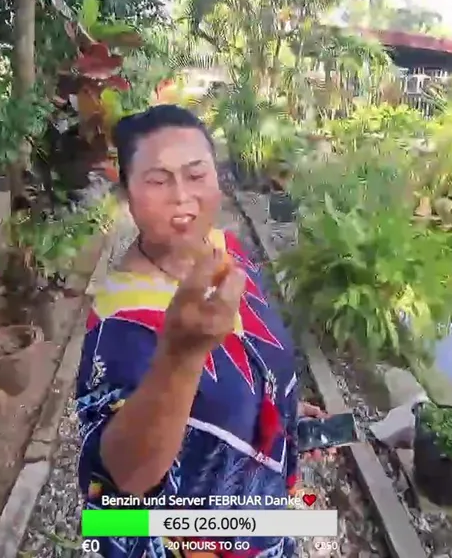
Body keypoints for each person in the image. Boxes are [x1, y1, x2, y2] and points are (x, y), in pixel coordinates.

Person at [76, 105, 325, 558]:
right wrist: (181, 355)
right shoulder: (120, 322)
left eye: (196, 174)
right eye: (158, 180)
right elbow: (126, 476)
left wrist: (279, 406)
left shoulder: (229, 250)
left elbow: (248, 362)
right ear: (127, 194)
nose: (182, 196)